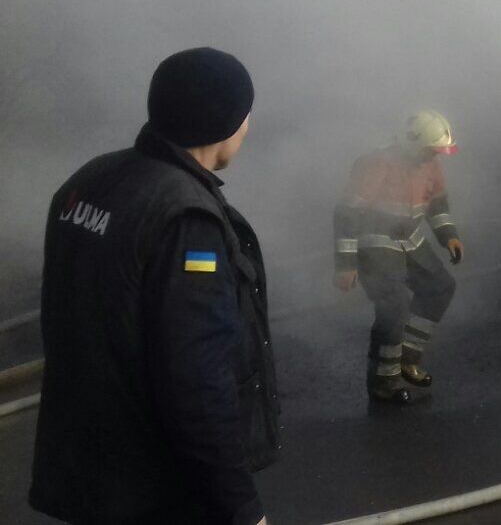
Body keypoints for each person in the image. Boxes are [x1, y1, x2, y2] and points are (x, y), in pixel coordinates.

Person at [30, 47, 277, 525]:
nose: (248, 127)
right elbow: (198, 381)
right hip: (156, 486)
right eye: (246, 114)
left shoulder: (92, 180)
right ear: (224, 120)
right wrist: (241, 509)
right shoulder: (186, 218)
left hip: (91, 465)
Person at [333, 110, 465, 404]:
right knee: (394, 306)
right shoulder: (376, 164)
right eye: (431, 151)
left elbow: (437, 205)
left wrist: (449, 236)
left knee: (440, 287)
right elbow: (347, 214)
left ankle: (406, 357)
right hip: (375, 244)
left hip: (411, 241)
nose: (434, 157)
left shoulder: (429, 164)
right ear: (413, 145)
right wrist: (346, 264)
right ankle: (384, 381)